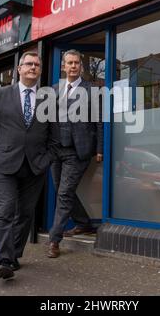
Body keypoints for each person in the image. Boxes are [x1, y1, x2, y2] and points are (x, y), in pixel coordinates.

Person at [0, 52, 55, 279]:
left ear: (40, 70)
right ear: (19, 69)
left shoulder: (48, 98)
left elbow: (55, 134)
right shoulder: (1, 94)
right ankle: (4, 260)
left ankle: (13, 255)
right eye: (28, 64)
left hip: (35, 166)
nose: (33, 67)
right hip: (4, 164)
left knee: (25, 214)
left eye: (37, 64)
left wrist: (47, 159)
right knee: (5, 210)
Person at [48, 49, 103, 258]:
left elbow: (99, 122)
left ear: (81, 66)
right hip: (56, 150)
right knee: (62, 190)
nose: (73, 66)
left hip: (77, 150)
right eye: (69, 63)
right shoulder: (54, 90)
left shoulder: (92, 90)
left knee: (63, 193)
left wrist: (99, 148)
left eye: (76, 63)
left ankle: (54, 240)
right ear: (63, 66)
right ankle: (83, 223)